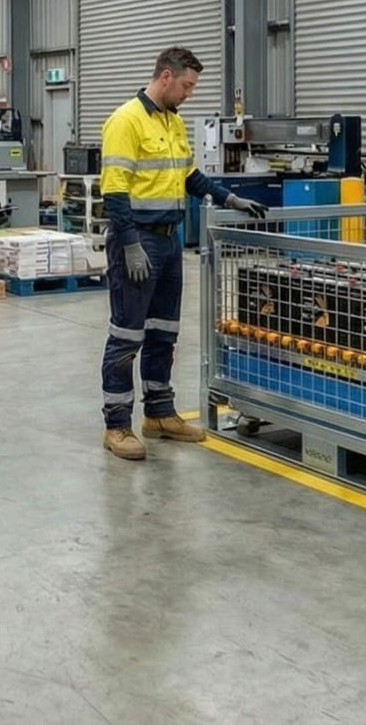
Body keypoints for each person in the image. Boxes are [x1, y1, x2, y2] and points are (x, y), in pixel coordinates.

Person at [99, 47, 267, 460]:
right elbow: (115, 189)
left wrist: (230, 198)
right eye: (187, 86)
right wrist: (130, 244)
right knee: (126, 336)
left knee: (163, 332)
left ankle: (159, 415)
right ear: (166, 76)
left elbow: (189, 176)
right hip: (137, 240)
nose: (190, 94)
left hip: (169, 241)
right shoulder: (126, 121)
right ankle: (117, 425)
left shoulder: (172, 122)